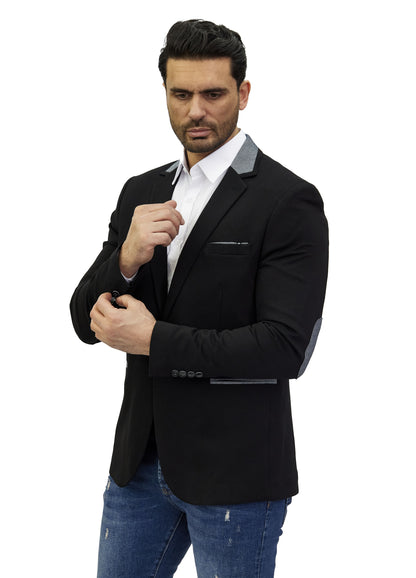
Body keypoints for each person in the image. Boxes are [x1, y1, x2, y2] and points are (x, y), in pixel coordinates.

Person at [70, 19, 329, 578]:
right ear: (165, 91)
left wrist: (155, 340)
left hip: (237, 476)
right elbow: (82, 319)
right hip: (139, 466)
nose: (195, 111)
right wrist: (126, 258)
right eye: (181, 94)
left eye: (213, 94)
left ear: (243, 92)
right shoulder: (141, 191)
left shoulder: (288, 200)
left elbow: (285, 348)